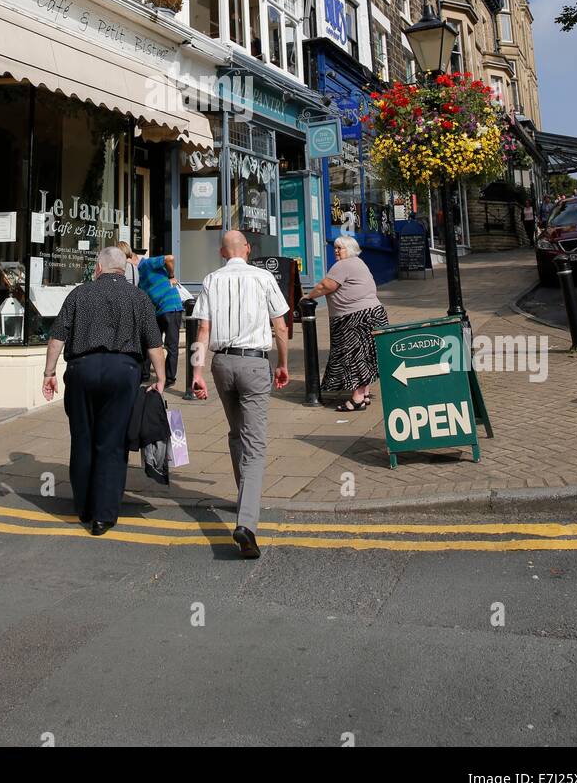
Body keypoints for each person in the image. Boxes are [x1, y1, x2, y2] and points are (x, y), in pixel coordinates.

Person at [42, 246, 166, 536]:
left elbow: (57, 337)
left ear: (98, 268)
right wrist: (160, 378)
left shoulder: (79, 294)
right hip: (123, 373)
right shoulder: (139, 297)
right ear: (124, 269)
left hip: (82, 371)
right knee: (112, 443)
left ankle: (83, 507)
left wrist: (49, 373)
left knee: (82, 438)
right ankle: (103, 517)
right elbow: (154, 345)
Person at [190, 230, 290, 561]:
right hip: (254, 363)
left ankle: (243, 495)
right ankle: (246, 524)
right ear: (247, 249)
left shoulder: (210, 280)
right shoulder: (263, 278)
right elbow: (281, 326)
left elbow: (202, 331)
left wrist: (197, 373)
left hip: (222, 364)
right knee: (256, 443)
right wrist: (284, 363)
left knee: (236, 434)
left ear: (222, 252)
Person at [305, 235, 388, 412]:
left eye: (339, 248)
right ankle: (364, 394)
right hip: (371, 314)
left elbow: (325, 286)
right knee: (365, 356)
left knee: (355, 357)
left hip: (355, 318)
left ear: (349, 249)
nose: (336, 251)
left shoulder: (344, 265)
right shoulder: (359, 263)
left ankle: (357, 399)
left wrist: (308, 296)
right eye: (335, 247)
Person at [136, 250, 183, 388]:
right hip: (158, 311)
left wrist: (171, 276)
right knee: (150, 342)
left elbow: (170, 258)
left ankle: (169, 377)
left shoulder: (145, 264)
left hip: (171, 306)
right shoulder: (138, 276)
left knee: (171, 345)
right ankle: (145, 374)